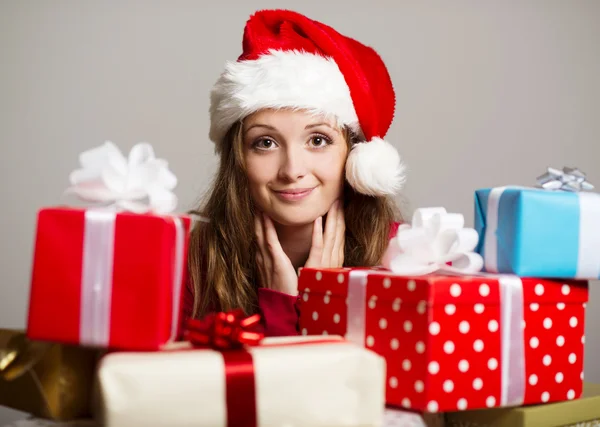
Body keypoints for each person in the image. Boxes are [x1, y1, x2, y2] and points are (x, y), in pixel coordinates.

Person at [182, 9, 406, 337]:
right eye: (266, 142)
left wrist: (322, 299)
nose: (291, 170)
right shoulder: (193, 263)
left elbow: (358, 386)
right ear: (239, 159)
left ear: (354, 155)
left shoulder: (402, 257)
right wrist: (282, 305)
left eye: (318, 140)